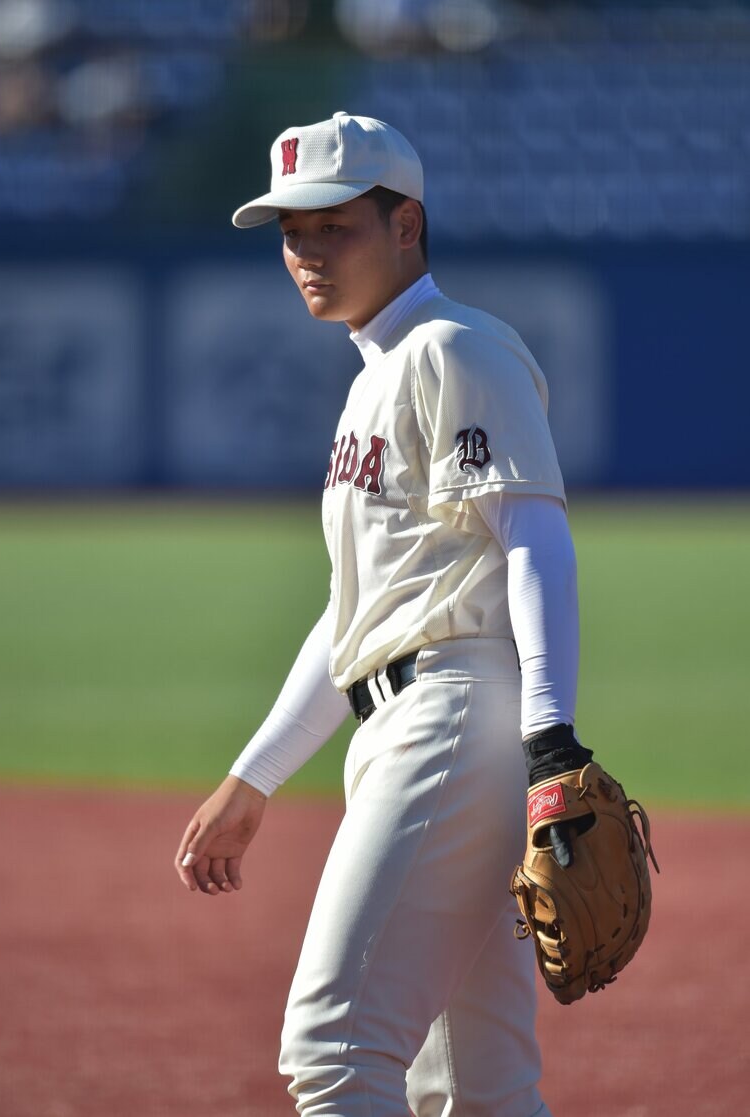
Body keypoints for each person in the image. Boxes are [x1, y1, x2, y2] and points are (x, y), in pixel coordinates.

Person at [175, 110, 589, 1117]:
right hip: (412, 721)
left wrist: (550, 746)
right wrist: (255, 775)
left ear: (406, 223)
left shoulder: (457, 348)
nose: (306, 253)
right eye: (290, 232)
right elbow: (354, 613)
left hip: (452, 721)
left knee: (335, 1049)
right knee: (475, 1084)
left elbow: (535, 544)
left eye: (334, 227)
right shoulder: (381, 374)